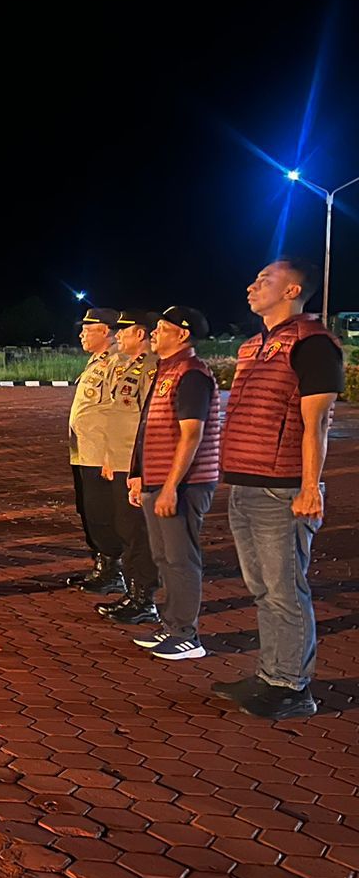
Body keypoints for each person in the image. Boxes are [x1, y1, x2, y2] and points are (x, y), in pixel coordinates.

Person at [213, 259, 343, 719]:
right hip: (246, 485)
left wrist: (310, 488)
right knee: (263, 589)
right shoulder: (255, 346)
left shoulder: (312, 345)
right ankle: (272, 674)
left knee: (285, 589)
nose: (252, 286)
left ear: (292, 291)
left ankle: (292, 688)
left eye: (263, 280)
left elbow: (317, 425)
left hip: (282, 489)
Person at [127, 306, 222, 663]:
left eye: (161, 329)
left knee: (180, 558)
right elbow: (148, 429)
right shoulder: (165, 370)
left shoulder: (192, 373)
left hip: (184, 483)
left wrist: (169, 487)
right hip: (158, 479)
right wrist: (139, 476)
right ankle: (172, 626)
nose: (153, 334)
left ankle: (186, 634)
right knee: (164, 556)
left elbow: (192, 434)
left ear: (182, 334)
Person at [95, 311, 161, 626]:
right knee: (125, 528)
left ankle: (143, 599)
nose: (118, 336)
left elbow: (149, 421)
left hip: (135, 463)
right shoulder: (129, 367)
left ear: (140, 334)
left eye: (124, 332)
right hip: (119, 460)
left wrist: (140, 469)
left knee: (138, 533)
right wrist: (109, 457)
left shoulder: (151, 368)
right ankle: (133, 592)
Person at [65, 307, 126, 595]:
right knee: (88, 509)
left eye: (88, 329)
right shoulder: (98, 361)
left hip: (101, 454)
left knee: (102, 512)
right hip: (83, 451)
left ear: (105, 331)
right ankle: (101, 565)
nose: (81, 334)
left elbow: (120, 412)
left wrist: (112, 454)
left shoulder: (118, 362)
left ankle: (113, 571)